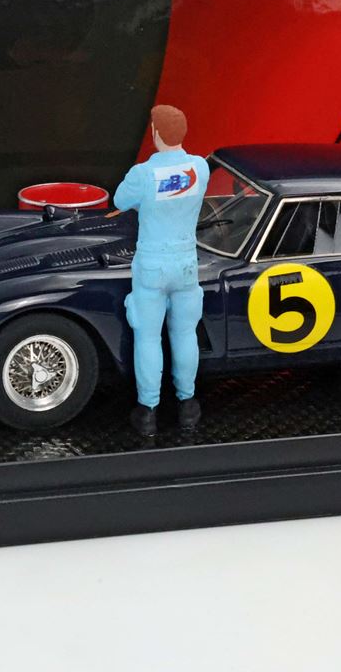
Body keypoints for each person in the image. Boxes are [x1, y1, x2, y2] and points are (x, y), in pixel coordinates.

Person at [113, 104, 209, 436]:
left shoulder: (143, 174)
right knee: (185, 334)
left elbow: (120, 200)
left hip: (152, 266)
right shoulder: (200, 168)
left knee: (148, 336)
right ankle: (188, 405)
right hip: (187, 264)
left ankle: (148, 410)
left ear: (155, 133)